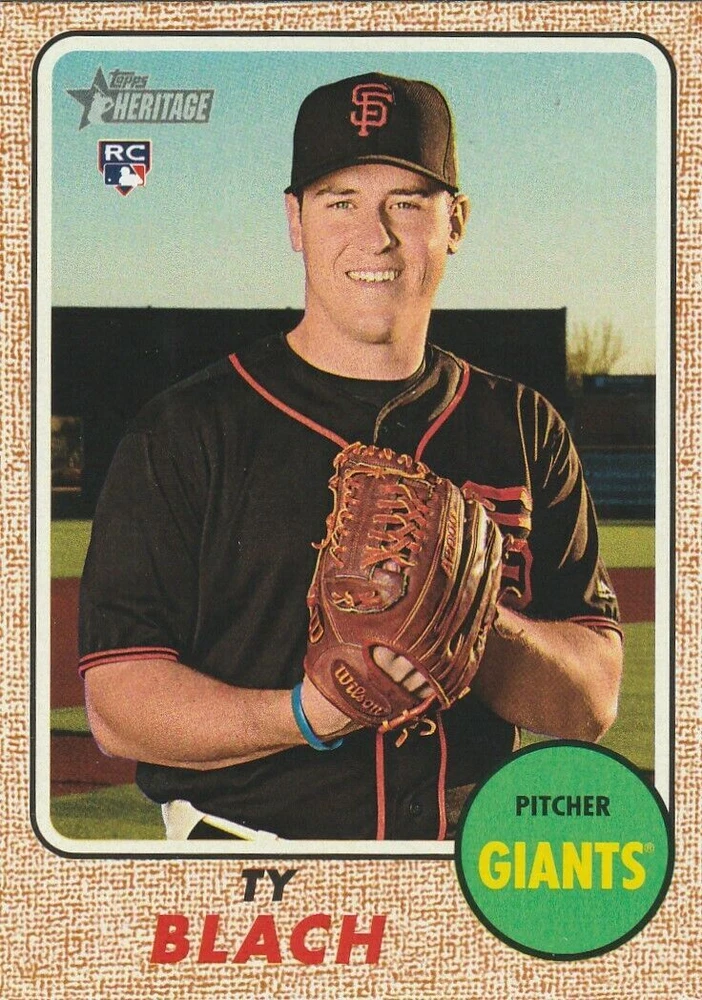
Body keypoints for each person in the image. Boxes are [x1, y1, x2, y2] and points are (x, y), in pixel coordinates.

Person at [79, 72, 623, 842]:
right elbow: (118, 705)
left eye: (407, 202)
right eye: (341, 202)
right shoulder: (187, 430)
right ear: (295, 221)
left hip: (467, 864)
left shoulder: (525, 427)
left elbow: (591, 704)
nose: (377, 237)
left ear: (456, 221)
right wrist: (303, 715)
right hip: (250, 867)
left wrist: (466, 618)